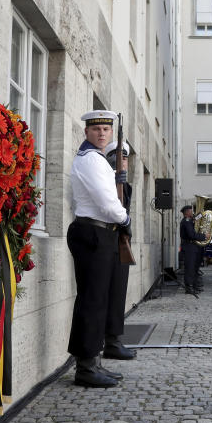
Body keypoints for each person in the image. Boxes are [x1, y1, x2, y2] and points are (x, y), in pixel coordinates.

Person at [67, 111, 131, 389]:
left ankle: (93, 361)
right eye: (97, 130)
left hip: (97, 232)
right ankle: (85, 367)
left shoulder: (93, 158)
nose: (102, 134)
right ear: (86, 132)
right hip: (94, 232)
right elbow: (107, 203)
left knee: (96, 300)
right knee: (92, 301)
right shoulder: (92, 160)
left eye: (106, 129)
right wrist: (125, 218)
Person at [102, 140, 136, 360]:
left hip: (120, 242)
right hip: (103, 240)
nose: (122, 162)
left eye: (125, 158)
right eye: (117, 157)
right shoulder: (104, 180)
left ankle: (114, 340)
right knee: (101, 296)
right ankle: (104, 342)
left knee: (118, 294)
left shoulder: (127, 185)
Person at [179, 205, 205, 294]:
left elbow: (196, 219)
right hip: (189, 247)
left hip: (193, 247)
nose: (192, 212)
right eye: (190, 211)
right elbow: (192, 235)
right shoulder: (186, 222)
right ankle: (189, 288)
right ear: (186, 212)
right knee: (190, 268)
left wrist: (202, 214)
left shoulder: (190, 220)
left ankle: (193, 285)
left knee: (194, 267)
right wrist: (204, 236)